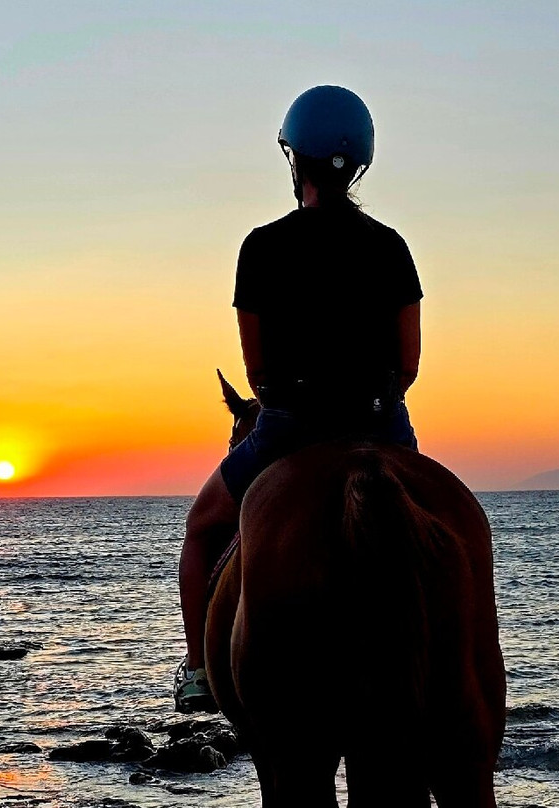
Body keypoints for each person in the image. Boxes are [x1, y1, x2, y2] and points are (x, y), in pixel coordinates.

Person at [175, 85, 423, 713]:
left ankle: (199, 670)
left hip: (291, 427)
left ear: (295, 161)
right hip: (379, 427)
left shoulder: (262, 247)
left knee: (202, 529)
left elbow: (256, 373)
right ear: (359, 165)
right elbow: (410, 366)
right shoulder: (391, 247)